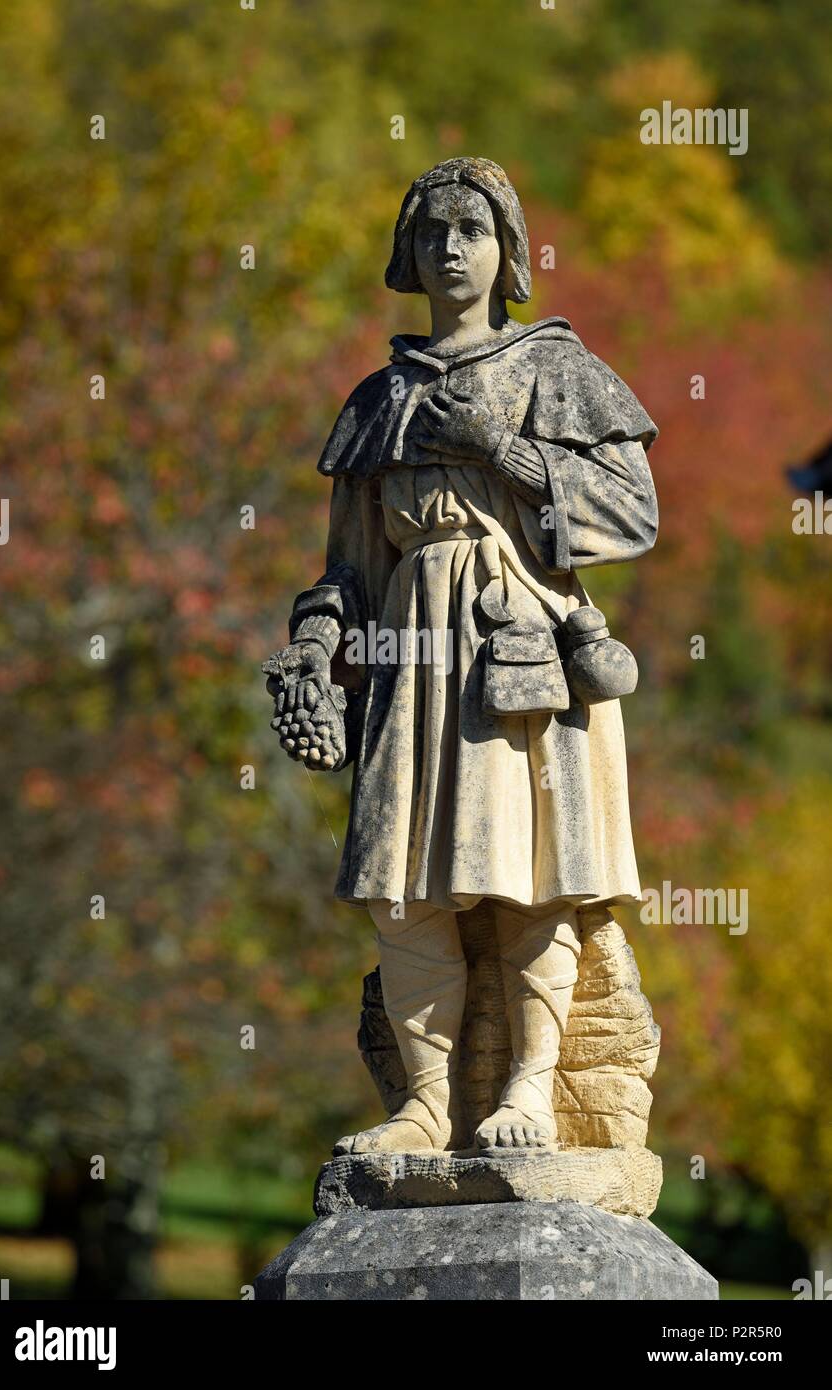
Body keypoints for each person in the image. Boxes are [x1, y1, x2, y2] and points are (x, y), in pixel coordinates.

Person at [264, 158, 658, 1155]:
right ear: (410, 250)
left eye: (471, 230)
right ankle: (428, 1104)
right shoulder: (379, 399)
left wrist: (511, 454)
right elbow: (346, 569)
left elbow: (635, 511)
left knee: (532, 876)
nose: (449, 247)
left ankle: (531, 1089)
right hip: (410, 652)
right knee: (405, 886)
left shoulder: (555, 368)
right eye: (432, 229)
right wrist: (314, 653)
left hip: (525, 640)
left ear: (508, 249)